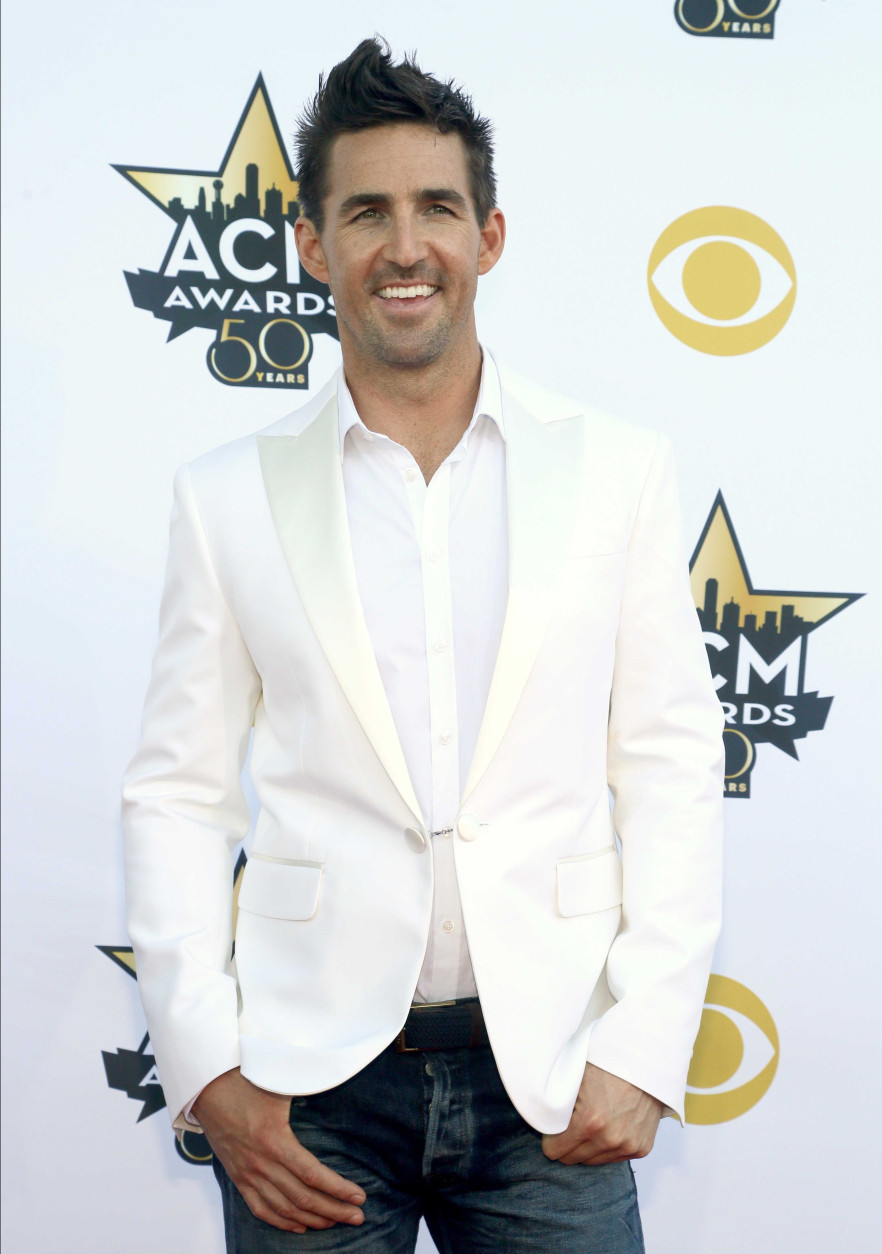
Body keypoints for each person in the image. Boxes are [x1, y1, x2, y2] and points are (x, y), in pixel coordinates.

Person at [122, 37, 724, 1253]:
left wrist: (646, 1046)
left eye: (436, 209)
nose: (405, 248)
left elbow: (667, 760)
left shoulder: (619, 472)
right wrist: (208, 1073)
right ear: (312, 244)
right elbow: (179, 795)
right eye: (366, 213)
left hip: (553, 1081)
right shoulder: (225, 496)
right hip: (311, 1092)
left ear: (488, 236)